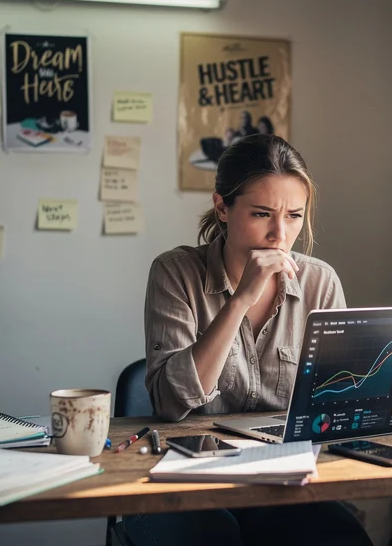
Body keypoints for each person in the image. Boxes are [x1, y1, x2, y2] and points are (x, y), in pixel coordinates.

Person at [124, 134, 373, 546]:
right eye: (261, 214)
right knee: (214, 537)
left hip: (282, 481)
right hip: (191, 482)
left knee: (344, 538)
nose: (280, 234)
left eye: (294, 215)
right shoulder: (174, 273)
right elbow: (169, 402)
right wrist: (241, 299)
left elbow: (336, 403)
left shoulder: (320, 282)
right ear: (222, 207)